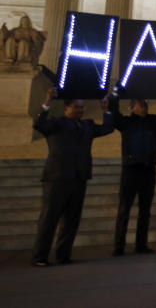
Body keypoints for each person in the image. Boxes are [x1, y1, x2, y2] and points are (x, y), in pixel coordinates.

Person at [31, 88, 114, 267]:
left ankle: (63, 255)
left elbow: (108, 128)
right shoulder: (56, 123)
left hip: (79, 178)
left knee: (71, 221)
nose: (81, 110)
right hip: (57, 178)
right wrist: (47, 102)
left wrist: (106, 109)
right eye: (77, 107)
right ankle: (40, 257)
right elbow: (38, 125)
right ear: (67, 108)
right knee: (49, 220)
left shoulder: (88, 125)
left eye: (82, 108)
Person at [109, 88, 156, 256]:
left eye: (146, 104)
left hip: (149, 169)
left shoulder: (154, 122)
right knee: (124, 209)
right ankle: (118, 246)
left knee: (145, 210)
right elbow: (113, 114)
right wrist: (115, 96)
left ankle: (141, 244)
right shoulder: (126, 123)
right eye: (141, 105)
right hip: (131, 169)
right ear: (133, 107)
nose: (145, 107)